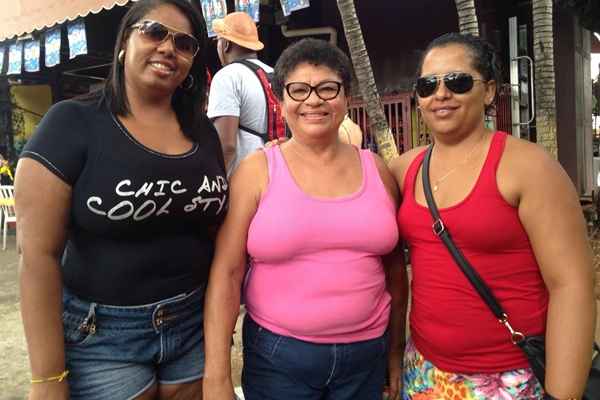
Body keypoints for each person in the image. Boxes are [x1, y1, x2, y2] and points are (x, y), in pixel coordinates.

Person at [15, 0, 227, 399]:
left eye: (184, 43)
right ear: (124, 43)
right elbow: (37, 257)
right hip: (103, 337)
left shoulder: (202, 132)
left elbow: (215, 231)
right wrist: (47, 378)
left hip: (192, 325)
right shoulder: (71, 123)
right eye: (154, 32)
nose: (168, 48)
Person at [391, 33, 596, 399]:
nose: (440, 94)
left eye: (457, 81)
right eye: (427, 85)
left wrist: (562, 394)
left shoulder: (529, 167)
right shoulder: (405, 169)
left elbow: (572, 286)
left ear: (488, 91)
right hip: (423, 370)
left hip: (509, 377)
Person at [203, 38, 408, 400]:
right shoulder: (257, 171)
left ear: (346, 98)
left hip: (366, 358)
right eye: (298, 90)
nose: (314, 100)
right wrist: (217, 376)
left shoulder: (376, 169)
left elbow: (394, 271)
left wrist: (394, 351)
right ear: (281, 102)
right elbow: (227, 272)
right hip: (278, 359)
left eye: (328, 88)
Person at [207, 11, 272, 175]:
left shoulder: (227, 76)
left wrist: (217, 182)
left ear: (226, 44)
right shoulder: (276, 73)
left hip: (244, 180)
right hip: (276, 174)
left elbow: (226, 145)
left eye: (218, 40)